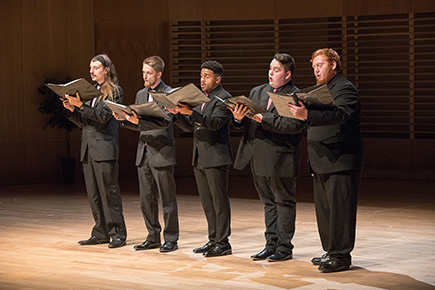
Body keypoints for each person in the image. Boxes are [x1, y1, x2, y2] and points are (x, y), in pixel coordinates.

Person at [289, 48, 364, 273]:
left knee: (341, 209)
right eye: (313, 67)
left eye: (320, 65)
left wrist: (307, 115)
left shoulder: (345, 88)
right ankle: (331, 251)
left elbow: (341, 115)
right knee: (325, 210)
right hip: (321, 158)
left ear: (333, 64)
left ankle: (341, 256)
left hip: (341, 158)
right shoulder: (319, 91)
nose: (316, 70)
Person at [230, 53, 306, 262]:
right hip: (259, 155)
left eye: (277, 70)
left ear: (288, 75)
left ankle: (284, 247)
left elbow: (294, 126)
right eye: (270, 68)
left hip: (281, 156)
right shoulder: (257, 91)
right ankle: (270, 244)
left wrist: (265, 119)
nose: (271, 73)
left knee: (284, 202)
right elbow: (247, 123)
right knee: (268, 203)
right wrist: (237, 119)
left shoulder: (295, 96)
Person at [113, 56, 179, 253]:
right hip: (144, 152)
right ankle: (152, 237)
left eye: (148, 73)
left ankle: (170, 238)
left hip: (162, 151)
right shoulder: (141, 94)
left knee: (167, 199)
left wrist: (136, 122)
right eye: (143, 72)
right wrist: (124, 119)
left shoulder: (169, 93)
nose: (145, 75)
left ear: (159, 74)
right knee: (146, 199)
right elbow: (138, 123)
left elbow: (166, 121)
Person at [168, 60, 233, 257]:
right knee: (207, 202)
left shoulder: (224, 98)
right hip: (200, 157)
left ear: (217, 79)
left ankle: (223, 243)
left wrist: (192, 112)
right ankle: (213, 239)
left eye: (207, 76)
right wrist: (178, 115)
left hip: (216, 156)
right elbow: (190, 126)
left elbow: (214, 124)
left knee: (219, 201)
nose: (202, 79)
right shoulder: (202, 98)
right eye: (201, 75)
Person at [63, 53, 127, 248]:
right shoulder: (90, 91)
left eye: (96, 67)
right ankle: (100, 231)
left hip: (105, 148)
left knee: (109, 193)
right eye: (90, 67)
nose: (91, 71)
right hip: (89, 149)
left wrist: (80, 105)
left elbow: (103, 117)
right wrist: (73, 110)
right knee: (94, 194)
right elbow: (85, 122)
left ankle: (118, 234)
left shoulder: (115, 91)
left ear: (106, 70)